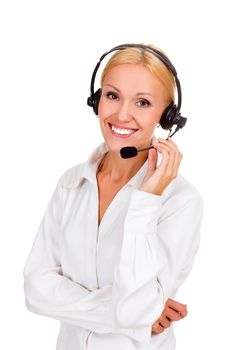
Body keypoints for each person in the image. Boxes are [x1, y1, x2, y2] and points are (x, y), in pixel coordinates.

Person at [23, 44, 204, 350]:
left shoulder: (181, 202)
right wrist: (137, 312)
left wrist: (146, 202)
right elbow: (35, 289)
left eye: (143, 102)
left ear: (167, 115)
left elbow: (135, 309)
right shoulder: (71, 183)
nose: (122, 114)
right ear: (97, 100)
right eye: (112, 95)